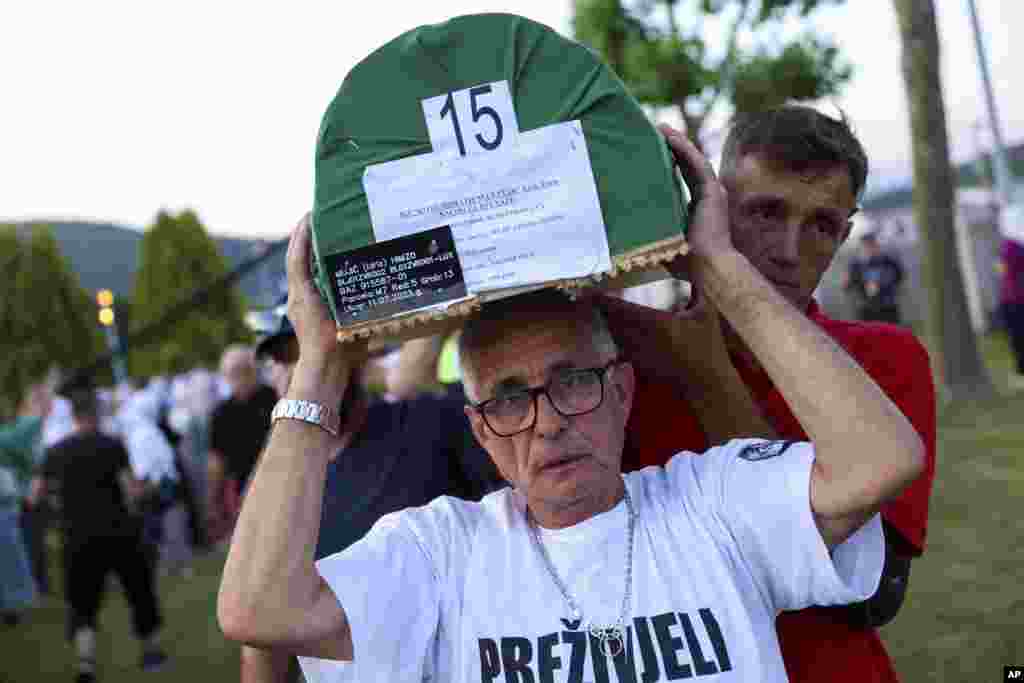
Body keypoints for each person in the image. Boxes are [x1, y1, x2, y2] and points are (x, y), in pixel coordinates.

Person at [217, 119, 925, 683]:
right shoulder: (442, 553)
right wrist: (317, 367)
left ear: (622, 390)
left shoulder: (708, 501)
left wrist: (721, 269)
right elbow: (259, 609)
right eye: (508, 399)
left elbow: (879, 471)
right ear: (480, 431)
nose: (548, 420)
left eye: (573, 382)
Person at [604, 106, 936, 683]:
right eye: (766, 212)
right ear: (713, 208)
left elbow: (873, 596)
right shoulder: (619, 360)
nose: (788, 249)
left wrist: (708, 379)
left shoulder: (885, 358)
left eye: (821, 225)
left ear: (844, 235)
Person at [238, 300, 505, 683]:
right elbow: (261, 637)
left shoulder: (430, 422)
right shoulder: (280, 486)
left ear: (357, 352)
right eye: (284, 359)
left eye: (312, 354)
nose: (300, 373)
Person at [35, 388, 168, 683]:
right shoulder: (112, 444)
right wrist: (148, 489)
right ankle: (150, 652)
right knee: (138, 592)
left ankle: (86, 667)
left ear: (74, 417)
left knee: (82, 602)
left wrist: (56, 508)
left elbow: (36, 495)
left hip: (76, 537)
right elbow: (131, 490)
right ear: (95, 414)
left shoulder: (55, 451)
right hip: (118, 532)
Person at [207, 345, 278, 542]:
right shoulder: (221, 413)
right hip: (243, 489)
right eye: (233, 373)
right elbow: (216, 460)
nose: (240, 378)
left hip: (278, 481)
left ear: (254, 370)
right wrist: (214, 500)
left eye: (244, 370)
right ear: (225, 377)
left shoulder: (274, 399)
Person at [0, 382, 52, 624]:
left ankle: (15, 603)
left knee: (22, 547)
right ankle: (14, 603)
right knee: (17, 551)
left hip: (16, 498)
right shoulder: (15, 433)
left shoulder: (16, 432)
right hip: (12, 500)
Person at [845, 232, 905, 324]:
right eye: (866, 245)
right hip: (866, 308)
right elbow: (850, 284)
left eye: (872, 244)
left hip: (888, 307)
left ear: (877, 245)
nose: (870, 248)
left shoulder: (889, 261)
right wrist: (858, 285)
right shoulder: (856, 265)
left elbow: (899, 277)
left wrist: (882, 284)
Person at [997, 237, 1024, 389]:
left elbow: (1003, 271)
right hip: (1014, 299)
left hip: (1012, 300)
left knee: (1017, 339)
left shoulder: (1009, 248)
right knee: (1017, 338)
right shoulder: (1016, 247)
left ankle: (1021, 372)